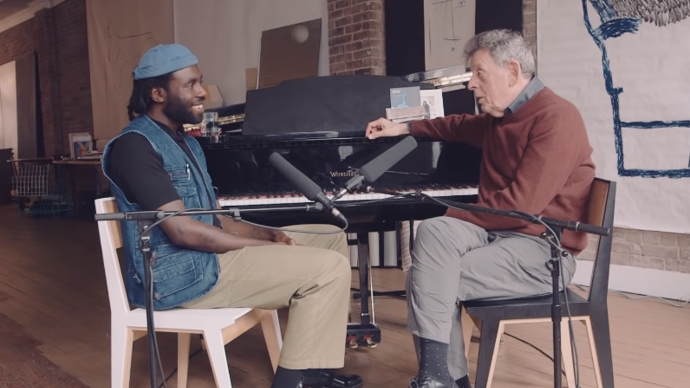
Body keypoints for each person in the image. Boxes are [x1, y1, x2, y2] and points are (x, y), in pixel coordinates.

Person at [101, 44, 363, 388]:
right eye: (191, 84)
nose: (202, 92)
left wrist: (267, 235)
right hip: (180, 277)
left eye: (201, 82)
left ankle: (311, 368)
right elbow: (182, 231)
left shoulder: (186, 142)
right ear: (157, 93)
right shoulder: (134, 146)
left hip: (202, 260)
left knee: (328, 235)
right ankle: (293, 381)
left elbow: (215, 218)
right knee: (328, 269)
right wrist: (262, 250)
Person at [365, 30, 596, 388]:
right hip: (498, 235)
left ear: (513, 70)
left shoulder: (556, 118)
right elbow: (456, 125)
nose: (471, 84)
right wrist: (405, 126)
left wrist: (453, 210)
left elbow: (521, 206)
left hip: (543, 250)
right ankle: (441, 376)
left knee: (424, 279)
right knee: (432, 231)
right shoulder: (500, 118)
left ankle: (443, 378)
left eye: (478, 73)